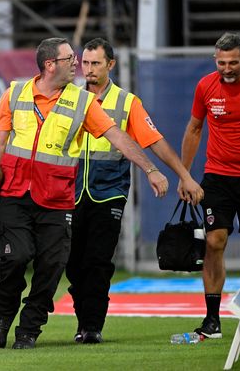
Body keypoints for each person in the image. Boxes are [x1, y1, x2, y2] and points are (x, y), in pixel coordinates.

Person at [0, 37, 170, 350]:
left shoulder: (83, 102)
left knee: (52, 266)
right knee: (15, 258)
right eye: (70, 58)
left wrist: (150, 169)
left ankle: (29, 328)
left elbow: (118, 137)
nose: (77, 63)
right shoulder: (14, 93)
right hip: (15, 194)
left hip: (56, 200)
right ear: (50, 65)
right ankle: (2, 316)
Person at [65, 38, 204, 344]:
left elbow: (155, 141)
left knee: (98, 260)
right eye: (85, 63)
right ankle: (83, 319)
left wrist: (184, 176)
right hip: (70, 193)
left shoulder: (127, 103)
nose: (88, 70)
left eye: (95, 63)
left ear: (110, 65)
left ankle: (91, 326)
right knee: (73, 263)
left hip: (109, 193)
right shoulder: (70, 99)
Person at [180, 32, 240, 339]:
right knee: (214, 243)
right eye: (222, 63)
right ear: (215, 60)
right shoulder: (206, 86)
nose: (227, 68)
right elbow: (194, 128)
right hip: (217, 177)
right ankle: (213, 320)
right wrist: (185, 175)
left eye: (234, 62)